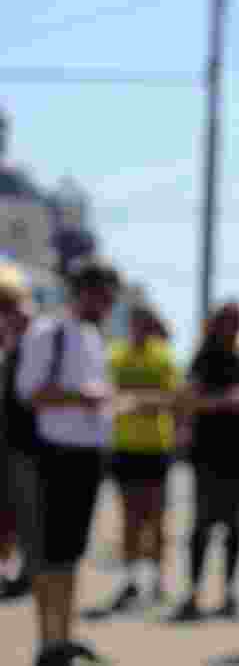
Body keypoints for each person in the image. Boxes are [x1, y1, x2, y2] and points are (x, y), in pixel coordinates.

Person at [15, 259, 121, 664]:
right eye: (103, 296)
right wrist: (83, 399)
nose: (107, 305)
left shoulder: (93, 337)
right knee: (50, 554)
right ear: (83, 292)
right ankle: (48, 641)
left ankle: (63, 636)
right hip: (53, 456)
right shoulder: (49, 332)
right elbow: (30, 392)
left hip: (87, 457)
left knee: (72, 554)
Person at [167, 301, 239, 623]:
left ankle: (229, 592)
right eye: (227, 321)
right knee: (203, 524)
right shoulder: (205, 358)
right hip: (208, 453)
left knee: (234, 525)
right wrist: (227, 401)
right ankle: (193, 593)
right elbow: (189, 399)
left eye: (236, 321)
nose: (232, 327)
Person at [85, 306, 179, 616]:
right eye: (135, 322)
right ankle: (130, 580)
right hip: (124, 446)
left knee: (157, 516)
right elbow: (106, 392)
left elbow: (173, 397)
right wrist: (138, 400)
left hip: (156, 446)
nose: (139, 328)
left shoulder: (163, 355)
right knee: (130, 516)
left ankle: (158, 580)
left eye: (144, 323)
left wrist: (137, 401)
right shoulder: (116, 353)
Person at [0, 264, 33, 602]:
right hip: (9, 441)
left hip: (22, 444)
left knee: (19, 510)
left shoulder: (30, 348)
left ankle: (22, 572)